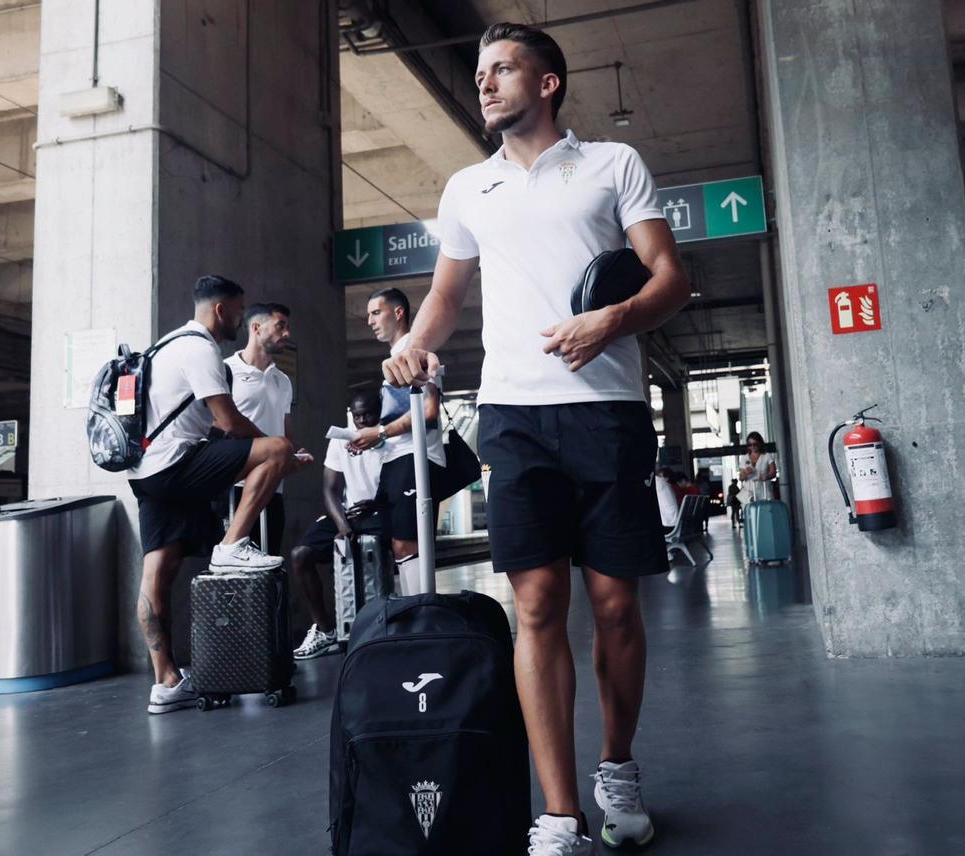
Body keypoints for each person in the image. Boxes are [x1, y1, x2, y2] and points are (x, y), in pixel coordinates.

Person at [382, 23, 689, 855]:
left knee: (617, 608)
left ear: (548, 83)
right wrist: (417, 343)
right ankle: (560, 813)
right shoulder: (465, 190)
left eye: (502, 69)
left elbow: (670, 277)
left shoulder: (611, 167)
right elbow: (446, 298)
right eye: (480, 72)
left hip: (608, 413)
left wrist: (614, 319)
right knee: (536, 607)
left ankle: (616, 769)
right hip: (513, 416)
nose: (484, 84)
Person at [127, 275, 312, 714]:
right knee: (277, 450)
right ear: (221, 311)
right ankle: (230, 546)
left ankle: (166, 682)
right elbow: (227, 422)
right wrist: (275, 450)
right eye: (239, 310)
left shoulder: (166, 344)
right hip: (177, 463)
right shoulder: (201, 348)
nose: (240, 317)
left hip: (147, 469)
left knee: (157, 570)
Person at [349, 287, 447, 596]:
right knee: (399, 545)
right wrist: (372, 439)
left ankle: (423, 617)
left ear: (398, 313)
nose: (370, 321)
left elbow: (429, 411)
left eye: (376, 312)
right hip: (396, 460)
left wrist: (378, 432)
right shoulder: (394, 358)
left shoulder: (415, 352)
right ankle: (414, 614)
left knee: (408, 543)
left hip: (416, 460)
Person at [289, 389, 385, 660]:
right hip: (349, 515)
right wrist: (343, 526)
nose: (363, 420)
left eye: (369, 414)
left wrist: (377, 504)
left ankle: (386, 623)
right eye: (358, 416)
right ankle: (326, 631)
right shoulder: (340, 439)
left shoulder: (389, 436)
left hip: (381, 512)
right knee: (300, 555)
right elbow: (330, 489)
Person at [224, 302, 298, 552]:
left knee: (270, 563)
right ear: (256, 328)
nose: (286, 334)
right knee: (232, 566)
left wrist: (294, 455)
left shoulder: (283, 381)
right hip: (234, 488)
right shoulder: (226, 370)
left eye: (287, 327)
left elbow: (285, 433)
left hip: (273, 487)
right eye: (280, 326)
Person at [740, 432, 778, 503]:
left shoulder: (767, 456)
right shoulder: (744, 458)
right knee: (751, 512)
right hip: (749, 492)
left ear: (760, 443)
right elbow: (741, 478)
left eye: (755, 444)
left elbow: (773, 472)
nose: (752, 447)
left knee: (766, 511)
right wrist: (745, 473)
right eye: (750, 445)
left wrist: (766, 477)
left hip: (764, 490)